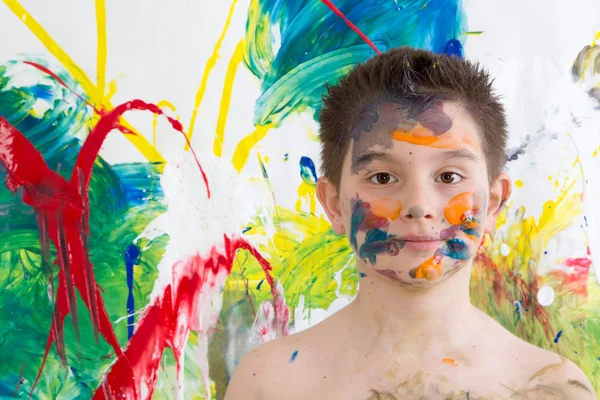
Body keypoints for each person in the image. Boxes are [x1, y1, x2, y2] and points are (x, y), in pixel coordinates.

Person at [225, 47, 596, 399]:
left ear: (494, 203)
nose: (418, 206)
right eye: (383, 178)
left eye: (449, 177)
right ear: (335, 205)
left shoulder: (550, 389)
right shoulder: (271, 383)